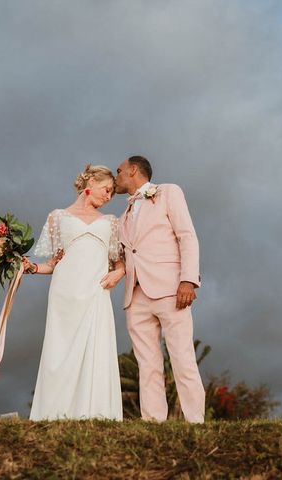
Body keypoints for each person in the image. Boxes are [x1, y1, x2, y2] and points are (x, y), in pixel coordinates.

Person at [22, 164, 125, 420]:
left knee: (96, 350)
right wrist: (30, 267)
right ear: (90, 182)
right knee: (60, 350)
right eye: (106, 189)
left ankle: (95, 414)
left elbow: (119, 261)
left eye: (112, 193)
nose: (109, 196)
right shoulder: (57, 217)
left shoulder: (111, 222)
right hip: (65, 293)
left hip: (95, 291)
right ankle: (54, 413)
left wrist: (119, 273)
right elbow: (52, 263)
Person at [115, 155, 205, 423]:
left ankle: (196, 421)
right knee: (147, 363)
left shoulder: (168, 192)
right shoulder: (121, 218)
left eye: (119, 170)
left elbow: (186, 235)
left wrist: (188, 279)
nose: (115, 176)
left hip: (170, 289)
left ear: (133, 170)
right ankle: (154, 422)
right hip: (136, 295)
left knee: (182, 356)